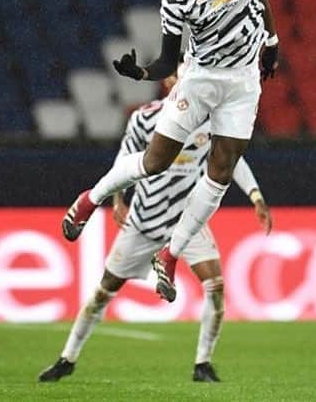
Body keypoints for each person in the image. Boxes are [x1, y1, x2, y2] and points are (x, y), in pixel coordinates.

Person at [60, 0, 279, 303]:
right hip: (200, 79)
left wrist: (272, 41)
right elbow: (167, 62)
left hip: (244, 82)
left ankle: (170, 253)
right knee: (155, 161)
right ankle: (89, 200)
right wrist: (140, 72)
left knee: (221, 173)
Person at [39, 70, 272, 384]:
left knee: (215, 289)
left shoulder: (212, 120)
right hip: (144, 221)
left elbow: (231, 159)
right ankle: (67, 358)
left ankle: (203, 364)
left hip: (186, 221)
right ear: (169, 83)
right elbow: (124, 159)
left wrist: (255, 195)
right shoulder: (145, 119)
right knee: (102, 293)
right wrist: (117, 199)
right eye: (180, 76)